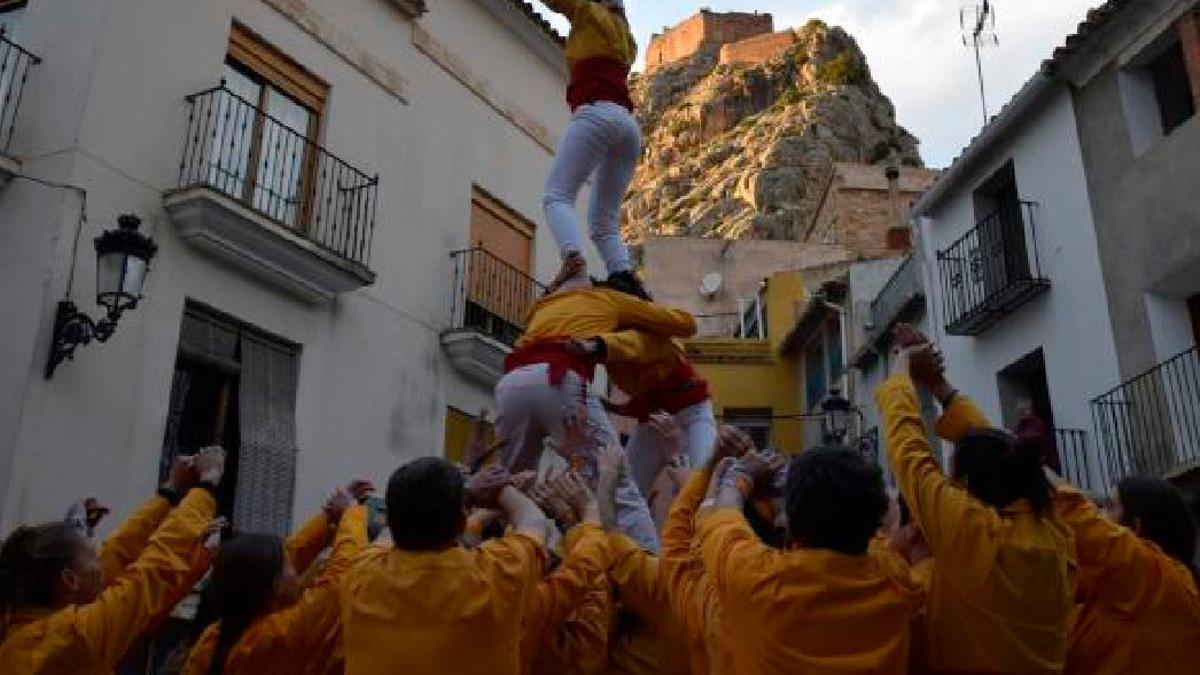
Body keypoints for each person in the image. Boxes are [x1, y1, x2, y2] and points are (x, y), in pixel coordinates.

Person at [876, 324, 1075, 673]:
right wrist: (938, 385)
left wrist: (902, 366)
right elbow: (1004, 452)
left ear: (967, 484)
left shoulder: (975, 532)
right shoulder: (1056, 531)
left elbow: (909, 450)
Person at [496, 256, 696, 551]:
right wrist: (644, 314)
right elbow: (685, 324)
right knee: (617, 482)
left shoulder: (546, 304)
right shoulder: (610, 300)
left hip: (510, 384)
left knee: (510, 487)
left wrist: (556, 281)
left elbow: (530, 318)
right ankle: (649, 566)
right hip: (558, 380)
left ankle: (501, 558)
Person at [696, 435, 924, 674]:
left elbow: (720, 523)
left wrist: (738, 477)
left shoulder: (756, 579)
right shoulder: (897, 579)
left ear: (791, 524)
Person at [0, 446, 226, 674]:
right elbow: (150, 574)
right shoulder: (72, 638)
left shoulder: (25, 632)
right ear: (70, 580)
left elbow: (119, 552)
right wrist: (206, 487)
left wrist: (170, 493)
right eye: (94, 556)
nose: (102, 561)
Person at [340, 460, 547, 675]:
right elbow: (533, 521)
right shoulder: (496, 575)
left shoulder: (359, 575)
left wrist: (463, 491)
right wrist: (502, 487)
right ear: (461, 522)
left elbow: (389, 532)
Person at [180, 482, 370, 675]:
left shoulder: (211, 641)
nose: (295, 570)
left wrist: (327, 519)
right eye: (288, 566)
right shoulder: (278, 635)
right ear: (274, 586)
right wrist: (352, 515)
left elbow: (284, 554)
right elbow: (339, 581)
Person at [539, 0, 643, 296]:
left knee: (556, 197)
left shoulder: (589, 13)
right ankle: (624, 275)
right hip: (627, 126)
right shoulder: (627, 39)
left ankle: (573, 263)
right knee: (604, 221)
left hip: (596, 113)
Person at [1053, 473, 1200, 675]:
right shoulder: (1109, 591)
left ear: (1134, 528)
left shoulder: (1153, 577)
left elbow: (1080, 521)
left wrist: (1035, 471)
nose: (1100, 514)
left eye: (1110, 507)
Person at [573, 330, 716, 499]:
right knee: (626, 490)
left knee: (705, 482)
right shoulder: (621, 364)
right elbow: (644, 401)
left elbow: (637, 345)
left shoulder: (654, 340)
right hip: (654, 422)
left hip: (691, 414)